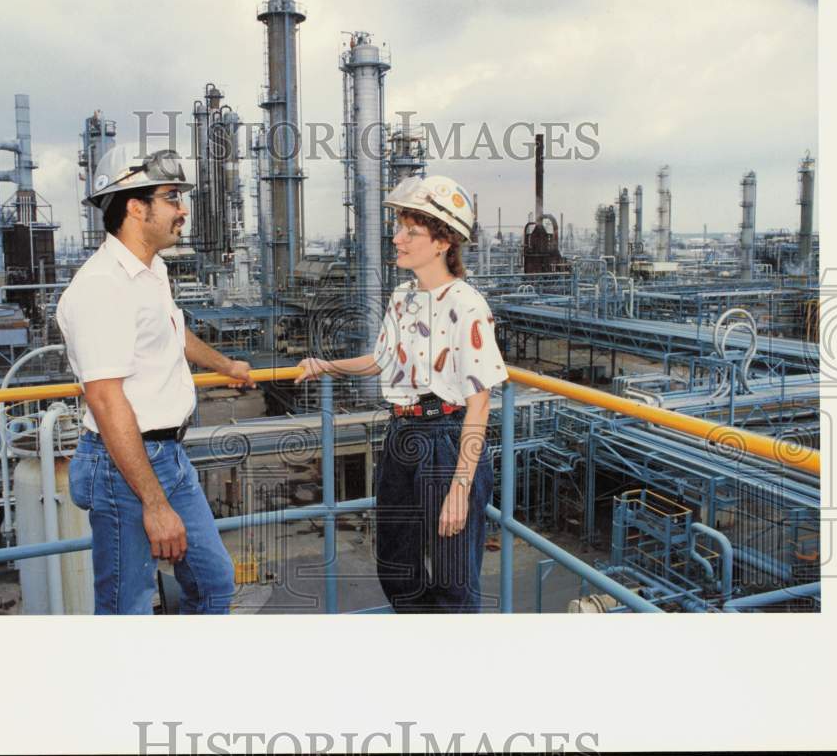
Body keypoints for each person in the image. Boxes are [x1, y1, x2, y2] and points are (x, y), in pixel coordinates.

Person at [57, 143, 254, 615]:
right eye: (171, 197)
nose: (182, 209)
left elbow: (173, 332)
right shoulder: (103, 287)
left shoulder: (152, 270)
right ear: (134, 206)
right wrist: (154, 503)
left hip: (168, 456)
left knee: (214, 583)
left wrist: (225, 366)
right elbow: (106, 401)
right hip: (124, 466)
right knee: (128, 607)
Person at [295, 175, 507, 612]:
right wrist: (324, 365)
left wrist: (459, 489)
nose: (398, 238)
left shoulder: (467, 304)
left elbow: (479, 403)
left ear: (443, 242)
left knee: (452, 579)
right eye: (399, 227)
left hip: (447, 441)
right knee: (396, 565)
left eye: (412, 231)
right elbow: (381, 360)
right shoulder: (402, 296)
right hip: (402, 436)